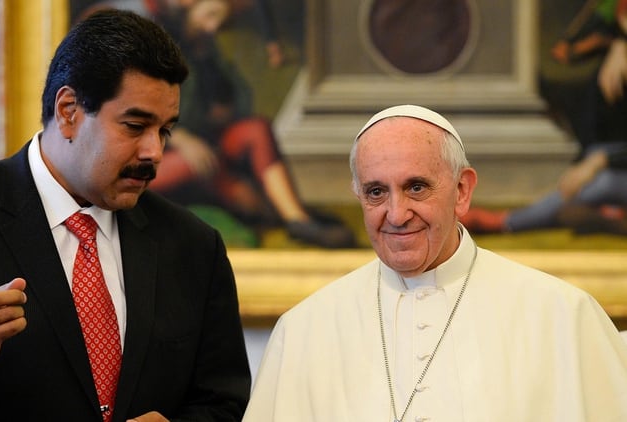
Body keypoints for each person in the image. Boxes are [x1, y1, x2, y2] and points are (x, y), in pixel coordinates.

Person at [0, 10, 250, 422]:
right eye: (134, 126)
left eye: (164, 131)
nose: (155, 153)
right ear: (69, 110)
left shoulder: (195, 246)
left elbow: (224, 401)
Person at [242, 105, 627, 421]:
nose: (396, 213)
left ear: (462, 191)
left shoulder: (562, 314)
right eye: (376, 192)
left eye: (416, 187)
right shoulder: (304, 330)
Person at [146, 0, 356, 248]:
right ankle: (264, 208)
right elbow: (141, 112)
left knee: (254, 129)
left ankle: (296, 219)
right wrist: (182, 139)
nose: (213, 27)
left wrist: (221, 97)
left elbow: (238, 104)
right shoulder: (155, 45)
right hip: (156, 157)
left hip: (207, 150)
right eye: (209, 15)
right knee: (197, 165)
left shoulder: (205, 49)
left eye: (220, 22)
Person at [462, 0, 627, 236]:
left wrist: (601, 160)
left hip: (613, 166)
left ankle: (508, 222)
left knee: (605, 180)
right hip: (611, 154)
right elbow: (566, 48)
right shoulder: (614, 52)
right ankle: (609, 214)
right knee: (595, 164)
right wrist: (618, 42)